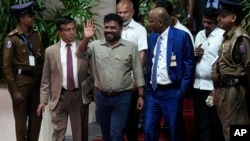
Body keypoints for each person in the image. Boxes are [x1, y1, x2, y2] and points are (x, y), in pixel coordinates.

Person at [76, 13, 145, 141]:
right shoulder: (95, 46)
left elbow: (137, 71)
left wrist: (141, 95)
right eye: (106, 27)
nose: (109, 30)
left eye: (113, 28)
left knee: (116, 134)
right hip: (101, 97)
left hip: (123, 97)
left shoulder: (130, 47)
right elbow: (80, 54)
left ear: (121, 28)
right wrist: (86, 38)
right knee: (106, 134)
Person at [144, 7, 195, 141]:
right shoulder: (152, 37)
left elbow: (189, 64)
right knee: (148, 129)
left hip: (171, 92)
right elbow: (150, 62)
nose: (148, 24)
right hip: (153, 92)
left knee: (174, 130)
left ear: (160, 23)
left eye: (151, 21)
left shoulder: (181, 36)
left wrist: (182, 90)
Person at [36, 16, 89, 141]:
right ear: (60, 32)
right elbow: (46, 78)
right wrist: (43, 101)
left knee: (80, 133)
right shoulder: (50, 51)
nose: (72, 32)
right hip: (59, 97)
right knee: (58, 134)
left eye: (73, 29)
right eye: (67, 30)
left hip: (78, 96)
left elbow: (92, 72)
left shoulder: (85, 47)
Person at [2, 2, 44, 141]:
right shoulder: (12, 38)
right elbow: (6, 66)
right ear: (21, 18)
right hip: (21, 83)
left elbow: (41, 59)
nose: (33, 18)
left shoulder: (36, 35)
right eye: (29, 16)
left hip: (36, 82)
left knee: (36, 117)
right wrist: (14, 90)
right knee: (21, 122)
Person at [211, 0, 250, 141]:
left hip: (235, 91)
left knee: (238, 129)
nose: (218, 18)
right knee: (228, 128)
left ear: (233, 18)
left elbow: (248, 66)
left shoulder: (240, 38)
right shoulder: (227, 37)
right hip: (224, 91)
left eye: (222, 15)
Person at [116, 0, 148, 140]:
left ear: (133, 12)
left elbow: (142, 54)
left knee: (131, 121)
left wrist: (136, 77)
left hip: (131, 81)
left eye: (125, 12)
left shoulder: (140, 29)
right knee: (117, 123)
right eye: (119, 12)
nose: (122, 15)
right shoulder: (114, 27)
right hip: (114, 81)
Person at [193, 7, 225, 141]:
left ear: (216, 21)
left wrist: (217, 86)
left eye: (209, 23)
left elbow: (222, 62)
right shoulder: (199, 34)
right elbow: (193, 60)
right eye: (204, 22)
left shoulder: (222, 35)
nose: (206, 25)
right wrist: (195, 54)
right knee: (201, 124)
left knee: (215, 124)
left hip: (213, 87)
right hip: (198, 86)